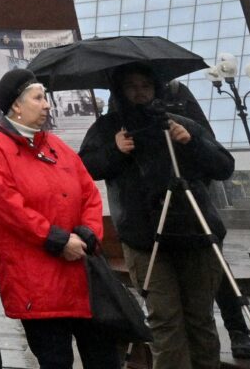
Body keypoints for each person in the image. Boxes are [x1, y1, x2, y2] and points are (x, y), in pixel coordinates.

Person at [78, 66, 233, 369]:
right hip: (145, 239)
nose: (140, 92)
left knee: (201, 318)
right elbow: (85, 168)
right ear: (120, 91)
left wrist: (192, 142)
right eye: (132, 86)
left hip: (196, 234)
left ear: (156, 88)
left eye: (146, 85)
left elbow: (224, 166)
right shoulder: (109, 128)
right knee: (164, 320)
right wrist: (115, 150)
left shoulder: (182, 124)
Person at [0, 70, 116, 369]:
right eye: (38, 98)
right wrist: (57, 239)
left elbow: (89, 192)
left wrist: (90, 233)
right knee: (55, 360)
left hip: (80, 275)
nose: (47, 105)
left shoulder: (55, 145)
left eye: (45, 98)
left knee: (104, 358)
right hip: (36, 284)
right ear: (16, 105)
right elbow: (7, 207)